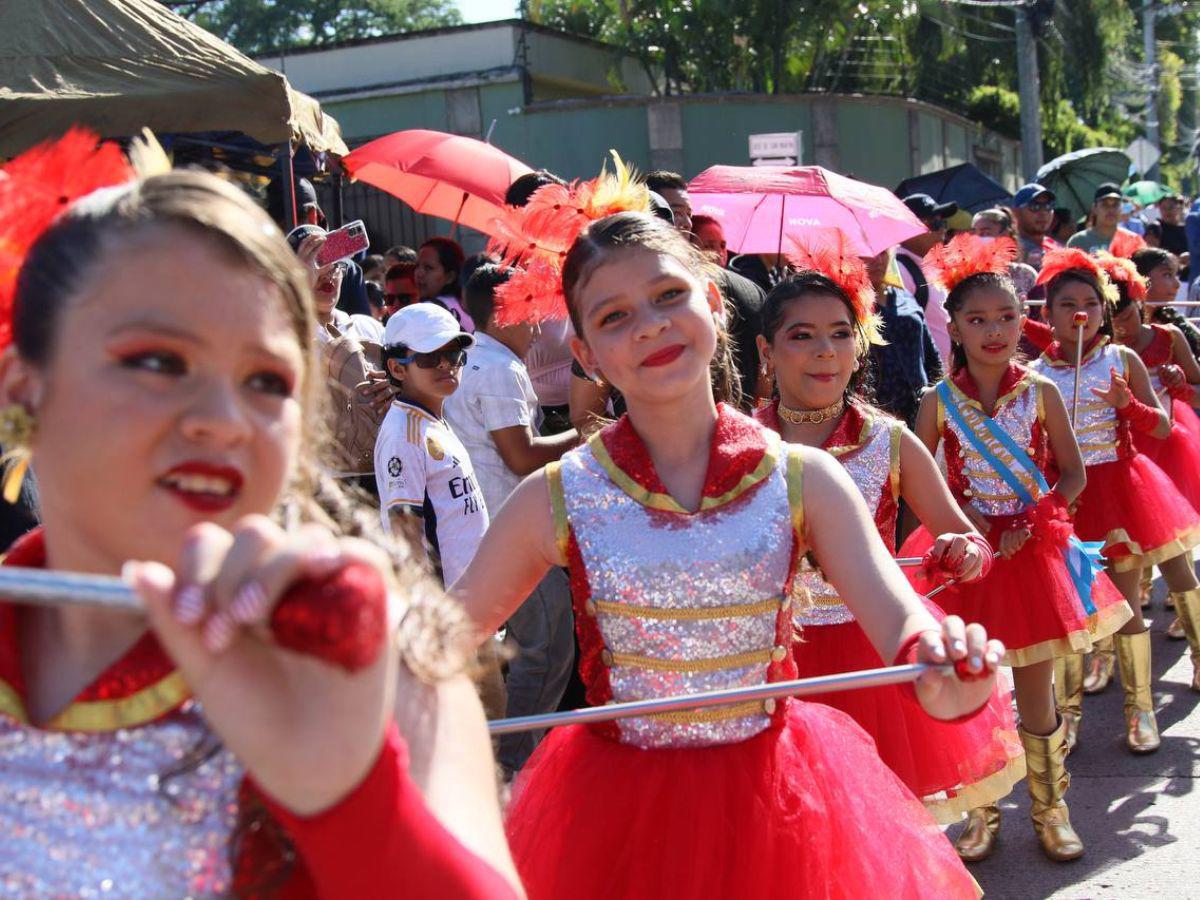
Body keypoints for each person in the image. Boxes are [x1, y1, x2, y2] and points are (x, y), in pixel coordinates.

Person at [0, 131, 520, 897]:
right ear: (22, 390)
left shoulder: (379, 650)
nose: (223, 421)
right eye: (158, 361)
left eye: (267, 381)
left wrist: (349, 798)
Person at [454, 197, 1004, 899]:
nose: (650, 324)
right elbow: (441, 638)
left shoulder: (804, 478)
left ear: (713, 304)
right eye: (614, 316)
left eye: (668, 295)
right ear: (585, 354)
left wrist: (944, 668)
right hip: (620, 822)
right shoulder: (558, 495)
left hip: (778, 810)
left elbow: (900, 621)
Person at [753, 234, 1024, 827]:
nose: (825, 351)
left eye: (840, 334)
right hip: (767, 661)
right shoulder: (738, 448)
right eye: (802, 335)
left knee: (878, 829)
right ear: (766, 351)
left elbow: (973, 545)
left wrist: (961, 551)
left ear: (860, 348)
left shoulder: (888, 441)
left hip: (872, 657)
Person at [911, 235, 1131, 862]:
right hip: (965, 557)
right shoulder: (937, 401)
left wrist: (1032, 522)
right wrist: (970, 520)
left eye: (1007, 317)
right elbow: (920, 483)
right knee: (971, 691)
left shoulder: (1041, 392)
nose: (995, 331)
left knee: (1036, 695)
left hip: (1032, 555)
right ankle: (981, 812)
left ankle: (1050, 809)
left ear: (1022, 319)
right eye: (978, 319)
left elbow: (1073, 475)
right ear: (953, 326)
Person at [1029, 248, 1200, 756]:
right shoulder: (1034, 374)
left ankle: (1140, 708)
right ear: (1048, 313)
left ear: (1104, 311)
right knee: (1071, 613)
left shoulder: (1121, 360)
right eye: (1067, 305)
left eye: (1090, 303)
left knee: (1124, 608)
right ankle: (1067, 714)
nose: (1080, 313)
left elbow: (1163, 427)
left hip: (1120, 497)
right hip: (1065, 503)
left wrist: (1130, 406)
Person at [445, 264, 579, 776]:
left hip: (488, 526)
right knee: (546, 647)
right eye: (530, 309)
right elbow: (521, 456)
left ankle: (514, 759)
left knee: (538, 647)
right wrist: (585, 434)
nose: (540, 323)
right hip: (513, 531)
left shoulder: (475, 358)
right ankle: (516, 765)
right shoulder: (499, 366)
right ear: (505, 313)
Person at [1107, 254, 1200, 670]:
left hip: (1168, 447)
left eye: (1127, 315)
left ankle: (1191, 631)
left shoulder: (1169, 336)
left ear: (1140, 302)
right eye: (1114, 320)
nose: (1122, 326)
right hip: (1125, 453)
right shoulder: (1103, 350)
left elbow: (1196, 383)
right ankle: (1117, 640)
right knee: (1128, 541)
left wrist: (1180, 383)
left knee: (1173, 539)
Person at [376, 304, 486, 588]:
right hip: (447, 601)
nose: (445, 364)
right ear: (397, 368)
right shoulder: (404, 434)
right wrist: (430, 605)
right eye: (429, 357)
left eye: (453, 354)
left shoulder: (429, 420)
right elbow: (405, 531)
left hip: (472, 593)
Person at [644, 170, 767, 405]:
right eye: (674, 212)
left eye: (688, 213)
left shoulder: (744, 290)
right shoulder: (624, 289)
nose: (685, 222)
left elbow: (765, 370)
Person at [863, 249, 943, 427]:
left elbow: (931, 356)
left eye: (883, 252)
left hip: (920, 411)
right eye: (866, 255)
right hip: (876, 416)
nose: (877, 260)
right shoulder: (848, 305)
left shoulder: (903, 295)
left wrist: (939, 396)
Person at [898, 194, 955, 363]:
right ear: (907, 227)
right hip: (924, 375)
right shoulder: (900, 270)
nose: (942, 229)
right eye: (934, 223)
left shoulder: (931, 265)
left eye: (943, 223)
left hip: (946, 375)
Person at [416, 237, 473, 331]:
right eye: (417, 266)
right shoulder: (468, 306)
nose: (419, 273)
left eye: (428, 268)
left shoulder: (428, 311)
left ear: (450, 277)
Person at [1067, 184, 1140, 254]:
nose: (1111, 209)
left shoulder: (1133, 240)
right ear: (1094, 208)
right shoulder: (1078, 241)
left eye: (1115, 205)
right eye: (1105, 205)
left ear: (1122, 208)